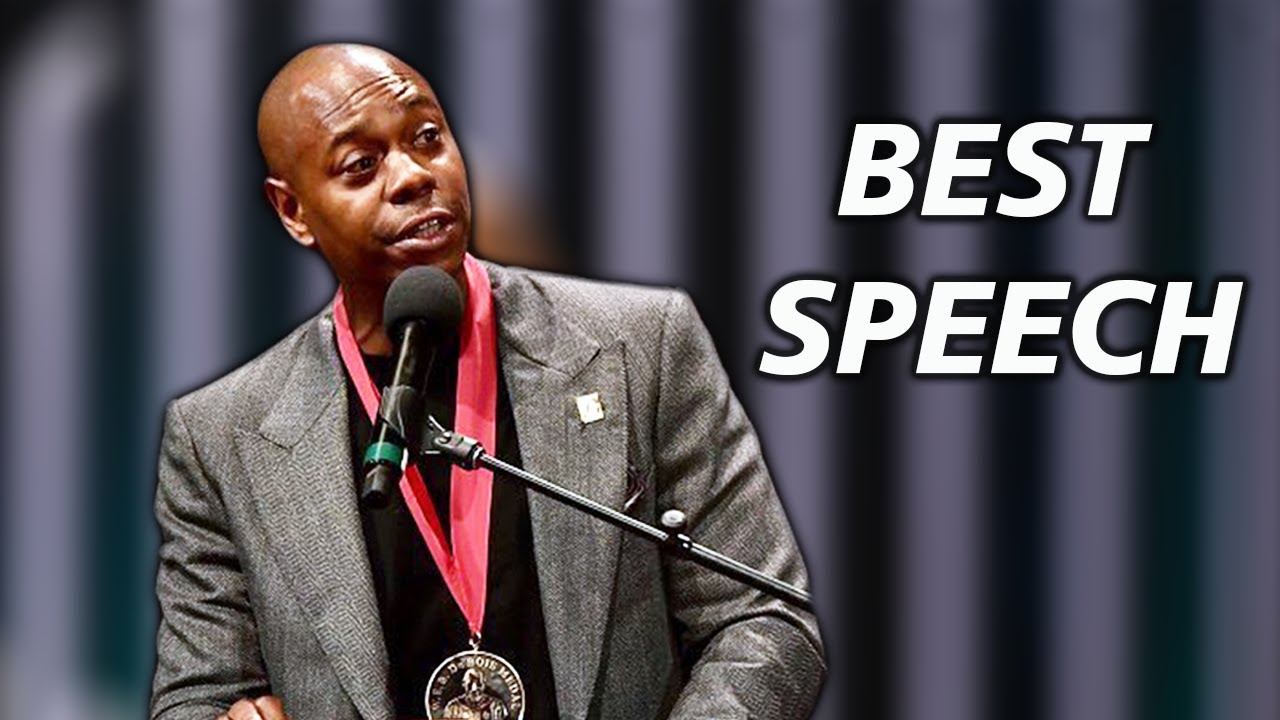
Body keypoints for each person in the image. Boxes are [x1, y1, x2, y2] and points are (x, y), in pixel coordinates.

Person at [150, 43, 824, 720]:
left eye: (426, 137)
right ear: (293, 210)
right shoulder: (218, 437)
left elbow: (765, 619)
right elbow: (197, 695)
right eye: (361, 165)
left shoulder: (642, 345)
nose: (413, 175)